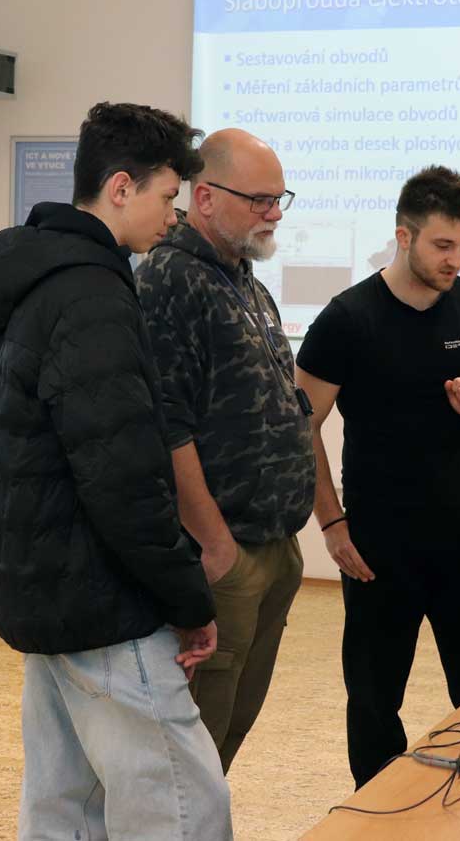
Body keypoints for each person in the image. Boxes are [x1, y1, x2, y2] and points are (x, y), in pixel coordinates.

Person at [0, 102, 232, 841]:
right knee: (182, 807)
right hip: (104, 601)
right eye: (167, 196)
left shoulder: (33, 281)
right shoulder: (93, 297)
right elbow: (124, 478)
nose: (174, 216)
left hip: (42, 583)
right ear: (120, 188)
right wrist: (188, 597)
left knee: (66, 806)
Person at [293, 165, 460, 788]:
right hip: (380, 544)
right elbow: (300, 427)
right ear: (404, 236)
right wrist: (331, 523)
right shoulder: (347, 319)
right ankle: (374, 819)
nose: (455, 259)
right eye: (442, 245)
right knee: (374, 703)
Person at [134, 128, 314, 772]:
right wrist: (215, 547)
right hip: (224, 550)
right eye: (260, 199)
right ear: (205, 197)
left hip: (272, 545)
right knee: (193, 752)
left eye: (279, 198)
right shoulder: (171, 279)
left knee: (229, 732)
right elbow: (167, 428)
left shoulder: (243, 280)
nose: (274, 213)